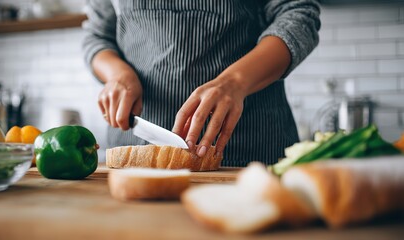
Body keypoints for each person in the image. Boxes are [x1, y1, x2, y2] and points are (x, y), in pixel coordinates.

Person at [83, 0, 321, 167]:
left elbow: (298, 15)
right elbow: (97, 36)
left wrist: (235, 82)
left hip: (251, 148)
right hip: (137, 150)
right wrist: (118, 74)